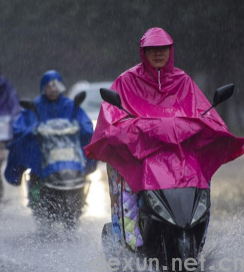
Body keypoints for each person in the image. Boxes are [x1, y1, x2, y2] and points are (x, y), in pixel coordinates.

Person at [84, 27, 244, 250]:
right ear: (143, 52)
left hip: (178, 159)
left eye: (163, 49)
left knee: (202, 177)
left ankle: (198, 237)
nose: (158, 53)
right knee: (122, 180)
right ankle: (127, 248)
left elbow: (204, 114)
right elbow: (111, 119)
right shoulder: (126, 81)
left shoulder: (183, 81)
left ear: (171, 51)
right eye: (152, 49)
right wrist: (137, 132)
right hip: (137, 157)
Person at [5, 70, 97, 204]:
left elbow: (86, 126)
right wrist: (35, 130)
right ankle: (36, 199)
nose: (53, 90)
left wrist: (79, 127)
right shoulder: (35, 106)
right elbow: (20, 129)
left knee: (81, 168)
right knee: (34, 166)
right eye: (49, 86)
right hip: (43, 156)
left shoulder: (70, 105)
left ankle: (79, 197)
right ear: (43, 88)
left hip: (69, 155)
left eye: (56, 86)